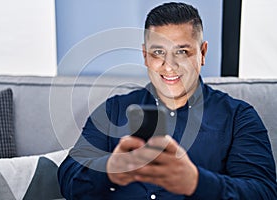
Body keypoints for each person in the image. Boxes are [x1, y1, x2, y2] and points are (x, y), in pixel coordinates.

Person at [58, 2, 277, 199]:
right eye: (158, 52)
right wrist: (111, 169)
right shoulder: (112, 110)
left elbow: (264, 192)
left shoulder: (239, 117)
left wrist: (197, 183)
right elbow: (68, 180)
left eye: (182, 52)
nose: (169, 65)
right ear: (145, 56)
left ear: (202, 53)